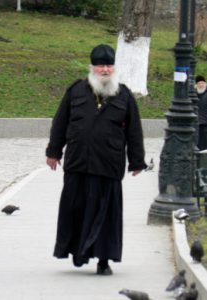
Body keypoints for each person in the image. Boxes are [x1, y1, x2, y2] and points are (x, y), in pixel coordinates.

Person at [46, 44, 147, 275]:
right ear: (92, 67)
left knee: (106, 216)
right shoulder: (76, 91)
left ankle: (104, 260)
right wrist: (53, 152)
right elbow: (60, 123)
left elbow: (134, 130)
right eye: (100, 65)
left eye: (109, 66)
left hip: (108, 165)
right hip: (78, 163)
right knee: (76, 211)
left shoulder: (124, 95)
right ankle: (77, 252)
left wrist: (137, 161)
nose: (105, 70)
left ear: (114, 68)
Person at [195, 75, 207, 150]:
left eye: (203, 83)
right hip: (196, 122)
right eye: (199, 83)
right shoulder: (193, 94)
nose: (201, 85)